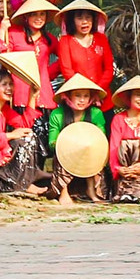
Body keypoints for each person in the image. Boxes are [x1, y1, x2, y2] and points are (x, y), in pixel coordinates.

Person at [0, 59, 46, 196]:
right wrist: (12, 135)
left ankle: (25, 182)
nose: (9, 88)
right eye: (4, 85)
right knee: (25, 140)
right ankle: (24, 184)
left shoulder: (4, 108)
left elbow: (24, 125)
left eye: (10, 84)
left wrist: (32, 97)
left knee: (28, 136)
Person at [46, 74, 109, 205]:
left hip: (89, 154)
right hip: (65, 155)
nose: (82, 100)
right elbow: (52, 142)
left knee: (93, 151)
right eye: (77, 95)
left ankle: (92, 191)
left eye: (86, 96)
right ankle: (63, 192)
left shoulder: (96, 114)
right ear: (68, 96)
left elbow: (101, 139)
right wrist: (68, 145)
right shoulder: (57, 114)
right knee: (61, 153)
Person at [56, 0, 115, 111]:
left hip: (103, 98)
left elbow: (108, 68)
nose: (85, 22)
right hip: (78, 100)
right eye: (80, 18)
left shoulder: (101, 38)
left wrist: (98, 91)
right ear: (72, 21)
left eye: (88, 17)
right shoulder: (65, 41)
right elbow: (67, 71)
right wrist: (85, 93)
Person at [7, 0, 60, 116]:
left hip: (44, 94)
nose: (39, 18)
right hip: (20, 93)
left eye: (42, 14)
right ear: (26, 16)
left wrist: (47, 73)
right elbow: (4, 57)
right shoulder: (14, 34)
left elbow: (65, 58)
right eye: (34, 14)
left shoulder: (49, 39)